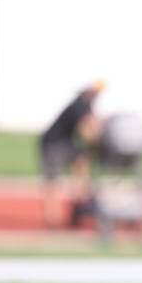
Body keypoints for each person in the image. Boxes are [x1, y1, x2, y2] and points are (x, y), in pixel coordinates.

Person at [39, 80, 105, 228]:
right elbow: (86, 131)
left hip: (65, 143)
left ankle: (81, 197)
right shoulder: (78, 106)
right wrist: (98, 137)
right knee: (53, 182)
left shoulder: (87, 106)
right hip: (53, 144)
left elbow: (94, 123)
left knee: (81, 160)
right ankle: (52, 220)